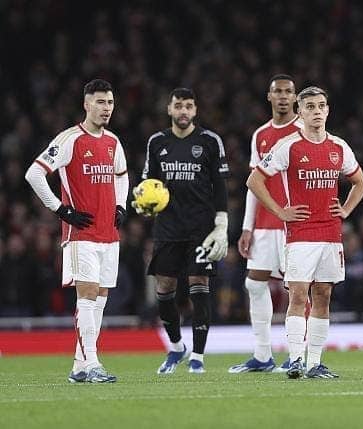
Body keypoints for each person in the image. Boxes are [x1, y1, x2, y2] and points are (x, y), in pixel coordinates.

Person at [247, 86, 363, 379]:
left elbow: (360, 182)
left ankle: (314, 363)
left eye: (321, 106)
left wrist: (346, 209)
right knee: (299, 295)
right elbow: (254, 181)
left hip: (331, 234)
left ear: (328, 110)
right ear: (300, 112)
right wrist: (280, 212)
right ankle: (295, 360)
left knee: (323, 294)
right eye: (310, 107)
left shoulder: (339, 146)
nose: (317, 111)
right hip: (300, 233)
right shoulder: (288, 146)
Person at [24, 79, 128, 383]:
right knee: (88, 295)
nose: (106, 108)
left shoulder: (113, 141)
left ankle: (80, 367)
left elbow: (122, 175)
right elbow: (34, 174)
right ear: (86, 104)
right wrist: (61, 210)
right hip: (81, 234)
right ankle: (93, 364)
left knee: (101, 297)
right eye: (100, 102)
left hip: (109, 234)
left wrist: (121, 205)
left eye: (110, 102)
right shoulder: (70, 139)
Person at [138, 87, 229, 375]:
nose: (183, 111)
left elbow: (220, 185)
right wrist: (143, 203)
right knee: (164, 288)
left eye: (188, 106)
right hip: (167, 227)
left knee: (198, 285)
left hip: (201, 228)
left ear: (195, 110)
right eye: (178, 106)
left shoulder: (210, 141)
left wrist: (222, 223)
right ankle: (177, 347)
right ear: (169, 109)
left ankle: (198, 357)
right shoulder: (157, 142)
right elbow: (148, 183)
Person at [229, 74, 303, 373]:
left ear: (295, 97)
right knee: (254, 283)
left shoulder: (304, 130)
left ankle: (300, 354)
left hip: (294, 222)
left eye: (288, 92)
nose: (283, 96)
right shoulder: (260, 134)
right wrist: (247, 227)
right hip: (264, 223)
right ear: (269, 96)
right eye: (278, 92)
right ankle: (262, 356)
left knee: (298, 288)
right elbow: (253, 184)